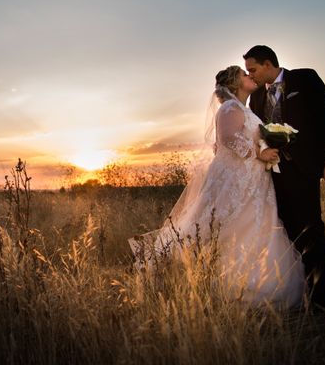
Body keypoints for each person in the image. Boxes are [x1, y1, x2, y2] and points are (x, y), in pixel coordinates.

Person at [129, 66, 305, 307]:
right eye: (244, 74)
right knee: (224, 225)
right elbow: (227, 138)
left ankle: (259, 283)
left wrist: (267, 146)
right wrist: (259, 153)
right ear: (234, 83)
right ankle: (211, 281)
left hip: (253, 179)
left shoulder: (244, 108)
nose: (249, 76)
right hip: (235, 179)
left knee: (256, 225)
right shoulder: (229, 108)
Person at [243, 45, 325, 309]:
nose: (250, 76)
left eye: (253, 70)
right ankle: (296, 293)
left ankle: (321, 299)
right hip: (273, 176)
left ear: (268, 64)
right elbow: (257, 133)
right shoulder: (255, 99)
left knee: (311, 230)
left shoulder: (305, 79)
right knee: (286, 235)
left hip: (305, 169)